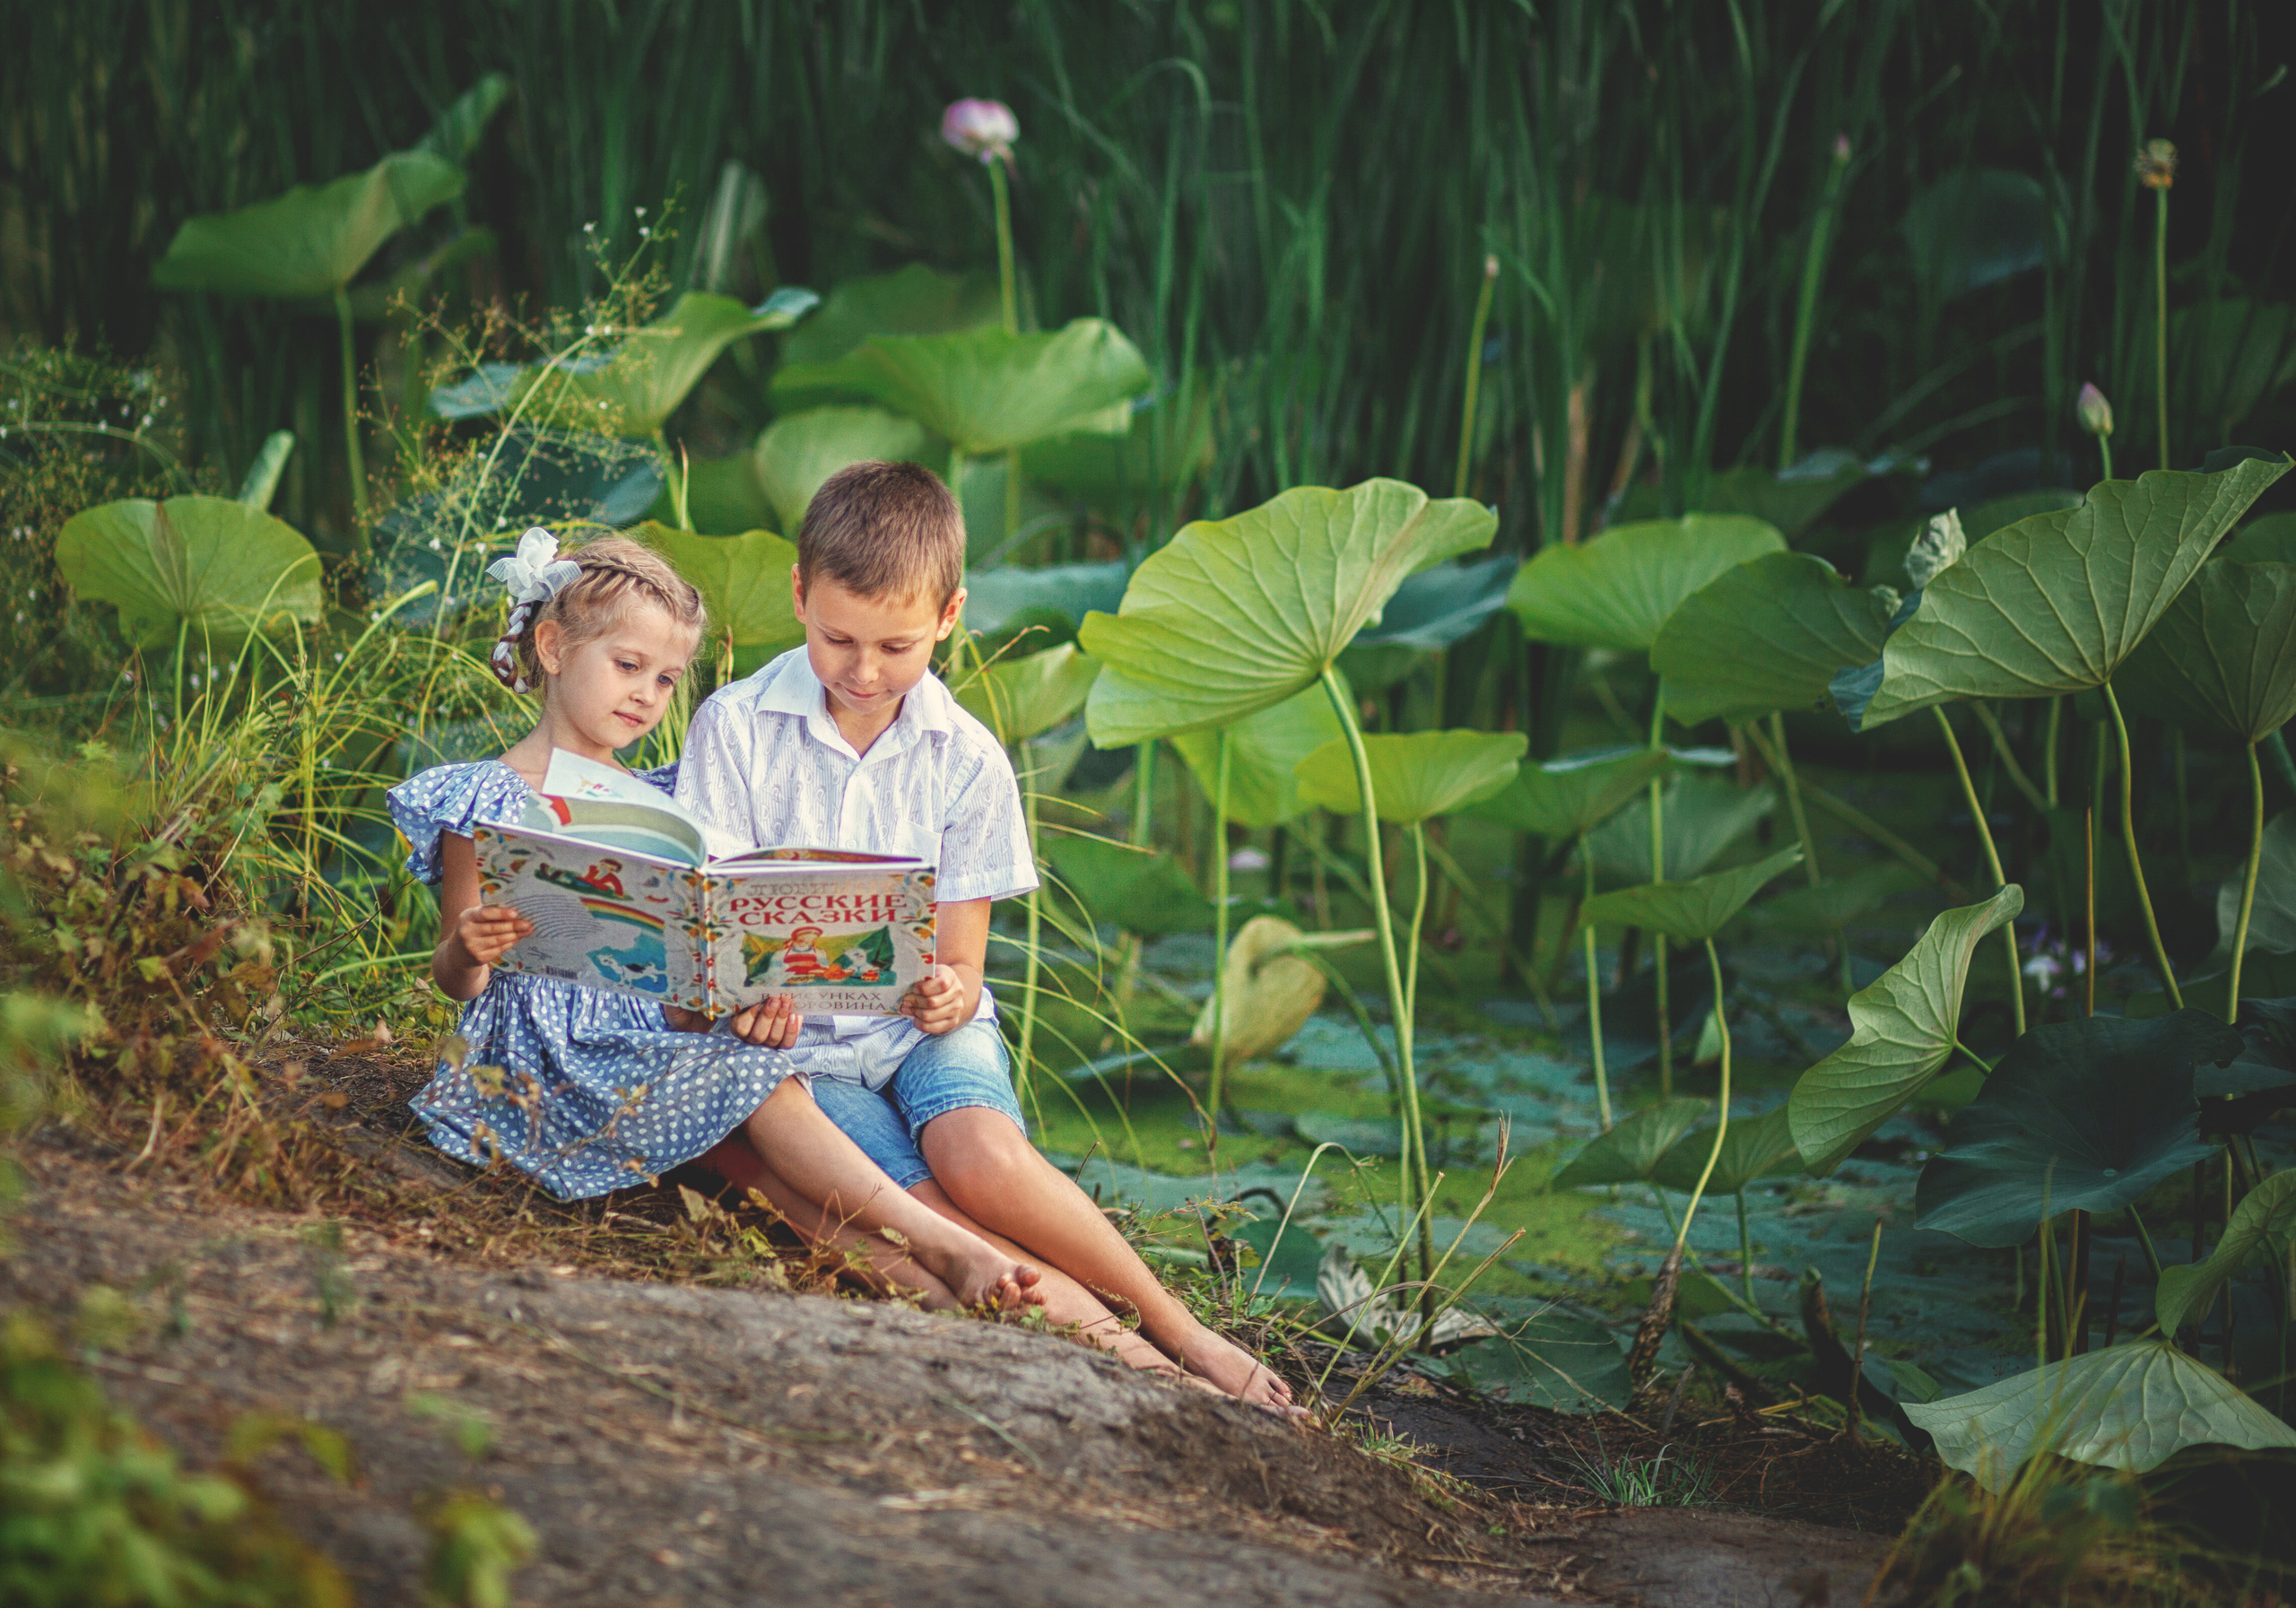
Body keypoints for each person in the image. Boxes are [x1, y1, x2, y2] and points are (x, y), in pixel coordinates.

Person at [675, 462, 1298, 1413]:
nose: (864, 669)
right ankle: (1153, 1377)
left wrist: (949, 992)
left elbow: (961, 962)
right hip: (802, 1048)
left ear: (950, 614)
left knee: (983, 1158)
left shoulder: (964, 757)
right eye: (837, 636)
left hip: (924, 1026)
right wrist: (748, 996)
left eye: (897, 643)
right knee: (927, 1205)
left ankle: (1182, 1328)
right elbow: (709, 920)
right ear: (798, 595)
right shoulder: (733, 728)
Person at [387, 528, 1040, 1314]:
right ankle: (944, 1243)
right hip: (546, 1048)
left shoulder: (665, 802)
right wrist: (469, 945)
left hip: (651, 1037)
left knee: (760, 1100)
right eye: (627, 666)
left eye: (666, 680)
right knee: (757, 1089)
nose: (645, 695)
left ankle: (940, 1286)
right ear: (553, 646)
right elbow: (457, 979)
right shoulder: (488, 798)